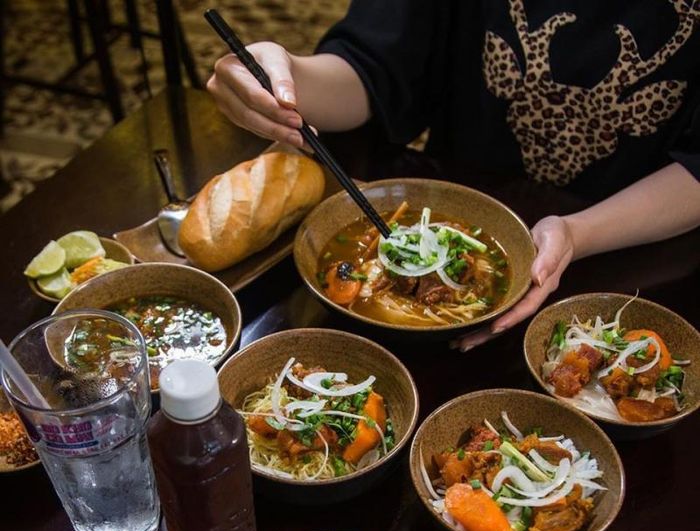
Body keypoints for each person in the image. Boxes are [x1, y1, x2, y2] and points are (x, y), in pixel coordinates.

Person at [207, 0, 700, 349]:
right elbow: (372, 68)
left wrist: (577, 232)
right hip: (453, 198)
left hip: (639, 263)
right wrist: (285, 79)